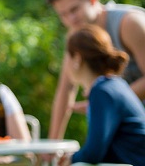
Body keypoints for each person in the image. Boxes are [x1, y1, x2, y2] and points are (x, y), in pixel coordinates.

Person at [46, 0, 145, 140]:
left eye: (74, 9)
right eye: (63, 14)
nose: (70, 19)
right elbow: (66, 89)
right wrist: (53, 144)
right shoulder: (76, 35)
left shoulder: (130, 23)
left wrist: (106, 102)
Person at [57, 25, 145, 165]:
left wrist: (71, 158)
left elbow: (93, 154)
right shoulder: (112, 85)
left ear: (77, 59)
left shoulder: (102, 91)